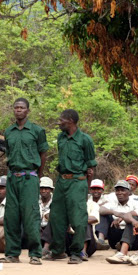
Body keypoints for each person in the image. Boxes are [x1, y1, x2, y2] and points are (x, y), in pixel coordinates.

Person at [0, 98, 48, 265]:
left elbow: (43, 154)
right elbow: (9, 152)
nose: (18, 110)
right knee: (11, 216)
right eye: (16, 108)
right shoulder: (9, 131)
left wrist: (37, 176)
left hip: (30, 177)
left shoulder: (37, 130)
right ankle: (12, 254)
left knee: (31, 216)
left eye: (22, 108)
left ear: (28, 111)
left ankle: (35, 253)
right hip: (12, 177)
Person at [45, 109, 96, 265]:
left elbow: (91, 167)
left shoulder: (85, 140)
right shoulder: (61, 137)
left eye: (62, 120)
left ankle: (76, 253)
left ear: (71, 121)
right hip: (61, 181)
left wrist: (86, 188)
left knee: (78, 219)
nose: (59, 123)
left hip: (77, 181)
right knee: (56, 216)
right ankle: (58, 251)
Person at [42, 192, 100, 262]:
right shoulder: (65, 203)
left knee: (84, 221)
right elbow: (47, 215)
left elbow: (94, 218)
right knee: (54, 220)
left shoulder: (92, 204)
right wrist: (63, 221)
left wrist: (73, 220)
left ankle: (82, 252)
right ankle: (46, 249)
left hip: (87, 241)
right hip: (66, 239)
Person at [97, 180, 138, 250]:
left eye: (122, 190)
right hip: (115, 235)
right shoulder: (113, 202)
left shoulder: (137, 203)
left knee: (134, 218)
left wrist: (123, 218)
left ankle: (123, 245)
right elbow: (100, 209)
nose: (119, 193)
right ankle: (101, 240)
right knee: (104, 214)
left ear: (129, 192)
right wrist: (115, 213)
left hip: (131, 236)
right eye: (117, 190)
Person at [39, 177, 54, 254]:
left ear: (51, 190)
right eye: (41, 188)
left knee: (52, 221)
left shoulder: (56, 201)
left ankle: (46, 247)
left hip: (51, 230)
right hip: (38, 229)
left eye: (46, 188)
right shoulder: (35, 200)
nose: (43, 191)